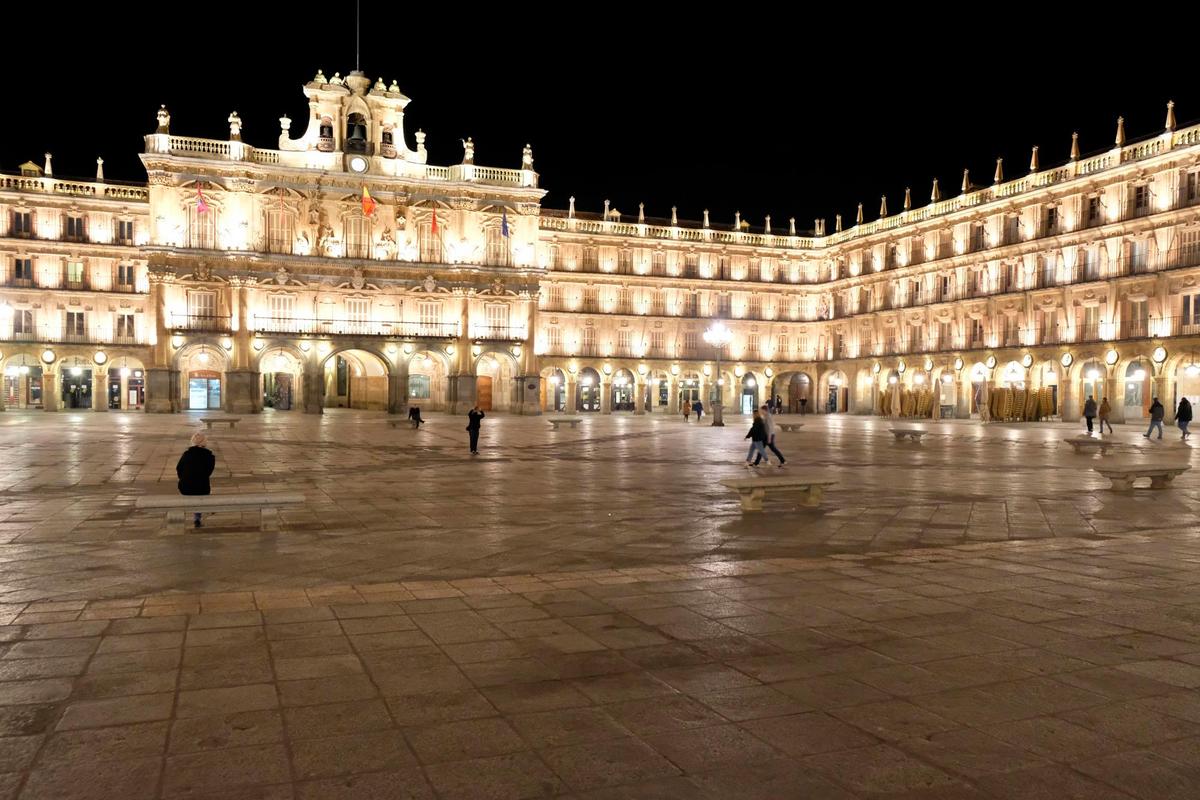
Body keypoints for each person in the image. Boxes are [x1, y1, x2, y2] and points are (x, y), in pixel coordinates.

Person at [176, 431, 215, 529]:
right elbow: (208, 472)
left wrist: (184, 478)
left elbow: (178, 468)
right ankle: (197, 518)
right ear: (205, 442)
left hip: (185, 487)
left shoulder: (186, 454)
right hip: (202, 488)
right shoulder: (210, 456)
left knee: (193, 487)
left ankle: (194, 515)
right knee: (201, 489)